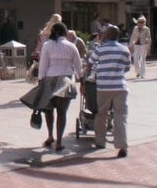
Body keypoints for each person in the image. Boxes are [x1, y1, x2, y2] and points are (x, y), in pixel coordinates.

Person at [30, 22, 82, 152]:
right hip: (66, 80)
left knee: (48, 110)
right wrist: (82, 79)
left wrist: (41, 80)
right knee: (62, 112)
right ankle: (59, 142)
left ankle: (50, 136)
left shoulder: (47, 45)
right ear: (65, 33)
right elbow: (78, 66)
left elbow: (43, 65)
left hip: (50, 80)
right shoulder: (71, 46)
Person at [90, 24, 131, 158]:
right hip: (120, 86)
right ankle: (122, 146)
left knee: (101, 114)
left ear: (106, 36)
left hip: (103, 87)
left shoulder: (100, 49)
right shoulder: (125, 50)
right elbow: (127, 68)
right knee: (121, 116)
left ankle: (100, 141)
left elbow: (91, 62)